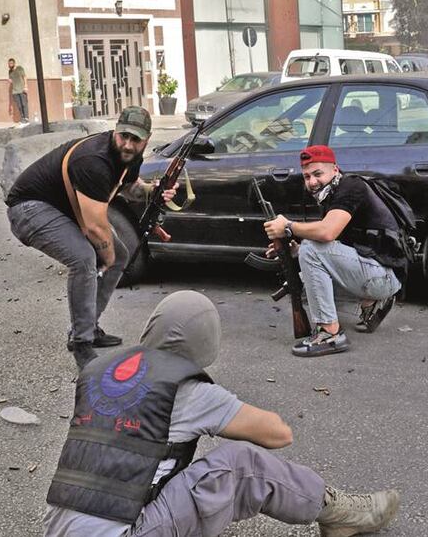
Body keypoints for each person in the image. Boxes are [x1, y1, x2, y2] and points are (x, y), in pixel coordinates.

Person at [42, 290, 401, 537]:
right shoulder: (187, 391)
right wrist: (217, 411)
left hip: (56, 527)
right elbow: (278, 434)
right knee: (240, 464)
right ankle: (341, 512)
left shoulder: (98, 371)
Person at [5, 106, 179, 368]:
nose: (128, 145)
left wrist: (153, 191)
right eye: (124, 136)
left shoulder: (131, 157)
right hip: (29, 209)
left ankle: (88, 325)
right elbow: (95, 227)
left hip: (61, 210)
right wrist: (105, 256)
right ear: (115, 131)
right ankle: (81, 343)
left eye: (136, 139)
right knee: (85, 258)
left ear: (147, 138)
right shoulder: (93, 161)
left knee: (120, 255)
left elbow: (129, 188)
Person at [262, 145, 404, 358]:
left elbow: (327, 233)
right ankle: (370, 302)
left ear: (335, 170)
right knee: (303, 278)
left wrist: (288, 227)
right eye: (307, 176)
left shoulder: (351, 187)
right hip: (376, 268)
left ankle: (330, 333)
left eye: (318, 174)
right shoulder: (331, 193)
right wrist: (295, 251)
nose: (312, 182)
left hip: (383, 275)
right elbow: (336, 246)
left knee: (311, 247)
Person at [8, 57, 30, 124]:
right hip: (15, 91)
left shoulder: (19, 68)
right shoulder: (10, 71)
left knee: (24, 104)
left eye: (11, 63)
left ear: (14, 63)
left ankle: (26, 118)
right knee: (19, 106)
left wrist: (26, 86)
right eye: (9, 64)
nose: (10, 64)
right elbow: (11, 80)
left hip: (22, 89)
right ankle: (22, 118)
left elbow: (24, 77)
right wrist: (10, 81)